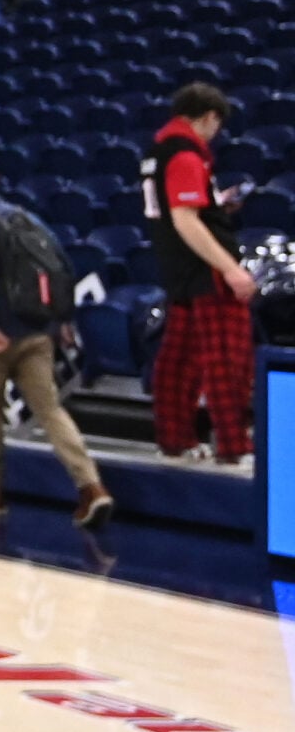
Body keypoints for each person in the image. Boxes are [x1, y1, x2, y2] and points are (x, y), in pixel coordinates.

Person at [0, 160, 112, 529]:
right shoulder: (26, 218)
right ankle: (91, 486)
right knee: (50, 410)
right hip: (36, 332)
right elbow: (61, 266)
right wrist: (62, 319)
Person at [144, 83, 257, 464]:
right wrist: (231, 271)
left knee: (178, 361)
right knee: (228, 360)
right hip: (207, 273)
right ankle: (233, 446)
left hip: (178, 272)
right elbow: (185, 219)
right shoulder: (186, 155)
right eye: (216, 126)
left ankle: (174, 439)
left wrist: (216, 204)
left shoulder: (156, 152)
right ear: (209, 118)